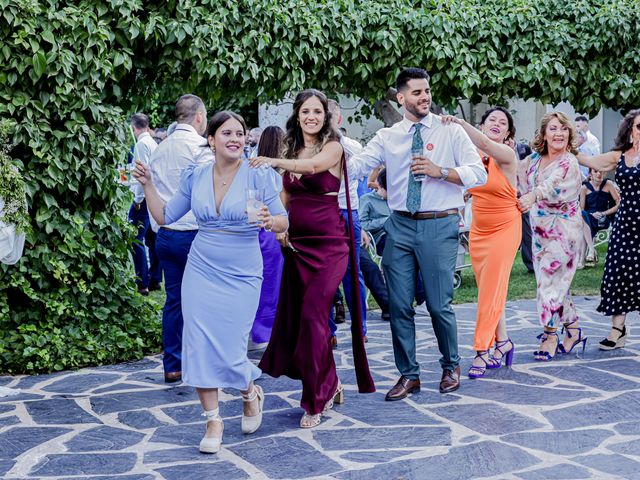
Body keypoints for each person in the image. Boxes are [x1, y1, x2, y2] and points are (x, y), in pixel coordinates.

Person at [134, 111, 288, 454]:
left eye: (240, 133)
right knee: (199, 341)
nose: (235, 138)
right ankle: (213, 419)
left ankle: (250, 390)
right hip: (202, 265)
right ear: (211, 139)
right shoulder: (197, 174)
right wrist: (148, 186)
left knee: (232, 345)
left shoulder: (258, 174)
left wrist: (269, 220)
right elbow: (164, 217)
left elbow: (283, 222)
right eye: (227, 133)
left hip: (243, 269)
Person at [349, 68, 487, 399]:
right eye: (416, 92)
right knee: (399, 305)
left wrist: (441, 172)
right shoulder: (388, 136)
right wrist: (324, 148)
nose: (424, 97)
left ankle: (450, 365)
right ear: (401, 97)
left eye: (427, 91)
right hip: (399, 225)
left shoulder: (449, 130)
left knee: (439, 305)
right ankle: (409, 374)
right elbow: (356, 164)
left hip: (439, 224)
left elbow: (478, 173)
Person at [251, 89, 375, 429]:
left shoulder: (333, 147)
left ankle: (315, 400)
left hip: (330, 243)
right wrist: (279, 226)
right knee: (306, 320)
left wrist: (276, 161)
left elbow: (313, 167)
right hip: (297, 244)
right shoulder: (292, 147)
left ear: (326, 116)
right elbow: (287, 193)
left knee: (312, 316)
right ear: (297, 115)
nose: (311, 117)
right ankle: (329, 382)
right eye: (306, 111)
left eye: (317, 111)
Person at [441, 107, 521, 378]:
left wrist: (459, 122)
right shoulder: (472, 158)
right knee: (491, 289)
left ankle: (481, 350)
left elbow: (485, 143)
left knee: (489, 290)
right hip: (480, 230)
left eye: (503, 122)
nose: (496, 124)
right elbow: (462, 183)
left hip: (505, 226)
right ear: (483, 124)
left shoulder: (507, 155)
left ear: (508, 132)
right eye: (491, 121)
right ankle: (504, 342)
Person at [148, 95, 213, 383]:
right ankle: (202, 361)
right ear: (199, 116)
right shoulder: (200, 148)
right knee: (204, 301)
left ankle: (173, 364)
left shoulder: (159, 148)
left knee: (174, 300)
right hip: (195, 234)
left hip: (165, 234)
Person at [518, 112, 585, 361]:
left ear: (569, 135)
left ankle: (550, 334)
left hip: (565, 230)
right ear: (544, 134)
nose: (559, 133)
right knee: (556, 283)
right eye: (553, 129)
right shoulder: (533, 160)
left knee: (549, 282)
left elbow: (552, 186)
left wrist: (533, 196)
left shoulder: (570, 162)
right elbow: (514, 179)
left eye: (564, 129)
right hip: (539, 231)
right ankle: (574, 329)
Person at [577, 109, 640, 351]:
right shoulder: (619, 156)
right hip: (625, 223)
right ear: (630, 130)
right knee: (619, 272)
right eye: (639, 126)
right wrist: (568, 148)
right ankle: (618, 330)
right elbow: (591, 162)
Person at [326, 99, 368, 347]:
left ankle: (358, 328)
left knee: (352, 272)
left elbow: (360, 178)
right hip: (326, 212)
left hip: (345, 211)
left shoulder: (350, 146)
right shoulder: (312, 147)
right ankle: (331, 329)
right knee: (328, 274)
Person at [250, 126, 286, 349]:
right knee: (270, 284)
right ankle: (263, 332)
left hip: (260, 231)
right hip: (271, 233)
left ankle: (262, 330)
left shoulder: (253, 167)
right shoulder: (270, 173)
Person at [128, 113, 158, 295]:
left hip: (144, 197)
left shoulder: (141, 144)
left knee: (135, 240)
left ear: (133, 128)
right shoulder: (154, 143)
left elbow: (141, 173)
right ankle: (155, 278)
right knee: (151, 239)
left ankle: (142, 283)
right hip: (153, 196)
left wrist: (137, 200)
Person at [359, 168, 391, 320]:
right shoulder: (367, 200)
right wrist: (385, 220)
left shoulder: (396, 199)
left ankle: (422, 299)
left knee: (413, 251)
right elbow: (362, 223)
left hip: (398, 237)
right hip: (380, 239)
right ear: (379, 185)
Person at [579, 168, 620, 266]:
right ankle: (590, 252)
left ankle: (585, 257)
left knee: (584, 225)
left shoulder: (608, 184)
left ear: (604, 173)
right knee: (582, 215)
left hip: (604, 219)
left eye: (601, 171)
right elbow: (581, 208)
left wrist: (604, 213)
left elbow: (619, 203)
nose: (599, 174)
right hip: (589, 218)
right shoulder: (584, 188)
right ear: (590, 174)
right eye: (595, 171)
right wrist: (591, 214)